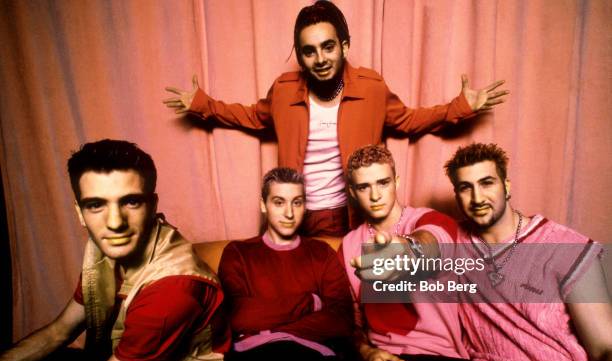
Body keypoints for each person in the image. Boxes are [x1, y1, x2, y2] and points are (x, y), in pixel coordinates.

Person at [163, 0, 508, 236]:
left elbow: (408, 120)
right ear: (300, 56)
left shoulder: (371, 87)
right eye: (309, 51)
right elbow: (253, 116)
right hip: (295, 213)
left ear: (344, 46)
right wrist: (202, 104)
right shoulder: (284, 90)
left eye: (328, 47)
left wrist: (462, 106)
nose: (320, 59)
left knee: (353, 296)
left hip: (352, 213)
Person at [0, 140, 224, 361]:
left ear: (153, 206)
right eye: (96, 205)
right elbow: (58, 332)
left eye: (131, 202)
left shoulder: (173, 288)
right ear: (80, 213)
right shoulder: (106, 251)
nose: (115, 223)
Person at [444, 142, 612, 361]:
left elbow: (604, 348)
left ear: (507, 186)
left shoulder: (565, 247)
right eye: (465, 188)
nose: (477, 198)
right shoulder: (452, 241)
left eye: (487, 183)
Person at [207, 167, 354, 361]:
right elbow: (237, 315)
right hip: (252, 357)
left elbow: (342, 319)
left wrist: (272, 330)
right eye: (279, 202)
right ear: (263, 205)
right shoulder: (238, 252)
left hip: (314, 355)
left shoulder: (321, 253)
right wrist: (309, 302)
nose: (289, 213)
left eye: (297, 202)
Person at [339, 145, 474, 361]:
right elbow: (351, 324)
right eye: (364, 187)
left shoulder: (432, 220)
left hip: (439, 358)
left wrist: (406, 251)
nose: (375, 195)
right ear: (353, 192)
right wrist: (367, 353)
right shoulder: (347, 246)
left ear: (397, 182)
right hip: (381, 359)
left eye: (383, 182)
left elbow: (430, 243)